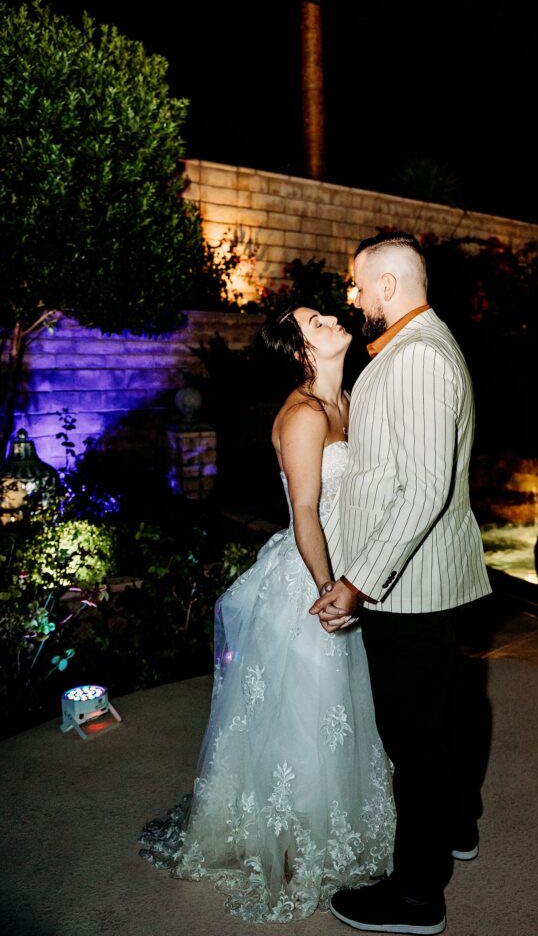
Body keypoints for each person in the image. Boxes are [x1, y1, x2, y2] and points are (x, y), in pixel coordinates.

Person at [139, 305, 395, 922]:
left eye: (327, 313)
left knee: (343, 711)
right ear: (301, 349)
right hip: (311, 579)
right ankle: (287, 839)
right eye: (315, 321)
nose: (332, 318)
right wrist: (330, 587)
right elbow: (306, 512)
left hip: (355, 570)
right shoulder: (305, 415)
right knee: (308, 710)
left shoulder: (353, 398)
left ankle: (331, 822)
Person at [311, 232, 492, 935]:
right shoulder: (411, 348)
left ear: (388, 285)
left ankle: (416, 897)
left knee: (412, 744)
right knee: (441, 720)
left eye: (357, 286)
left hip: (407, 587)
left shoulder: (416, 357)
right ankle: (455, 827)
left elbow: (420, 491)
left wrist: (357, 582)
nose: (352, 298)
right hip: (423, 580)